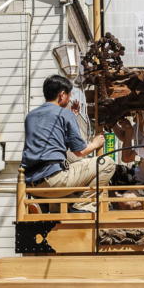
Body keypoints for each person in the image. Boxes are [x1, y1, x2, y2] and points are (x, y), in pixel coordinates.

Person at [22, 75, 112, 212]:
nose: (69, 100)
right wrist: (95, 143)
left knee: (74, 183)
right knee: (107, 163)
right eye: (69, 95)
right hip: (54, 180)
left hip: (30, 184)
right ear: (62, 94)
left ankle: (48, 205)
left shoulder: (31, 115)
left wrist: (72, 117)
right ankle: (82, 207)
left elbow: (49, 135)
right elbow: (80, 152)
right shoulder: (65, 114)